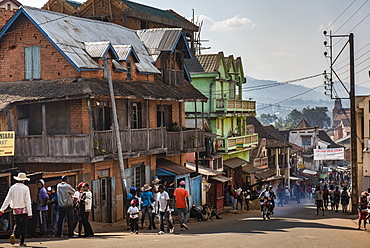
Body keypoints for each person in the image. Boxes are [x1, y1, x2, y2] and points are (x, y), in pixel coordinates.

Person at [0, 172, 32, 247]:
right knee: (23, 226)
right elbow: (28, 201)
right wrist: (30, 213)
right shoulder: (25, 188)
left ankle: (13, 233)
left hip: (15, 209)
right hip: (24, 209)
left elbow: (7, 199)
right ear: (24, 180)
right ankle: (21, 242)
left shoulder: (13, 187)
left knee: (17, 223)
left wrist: (2, 209)